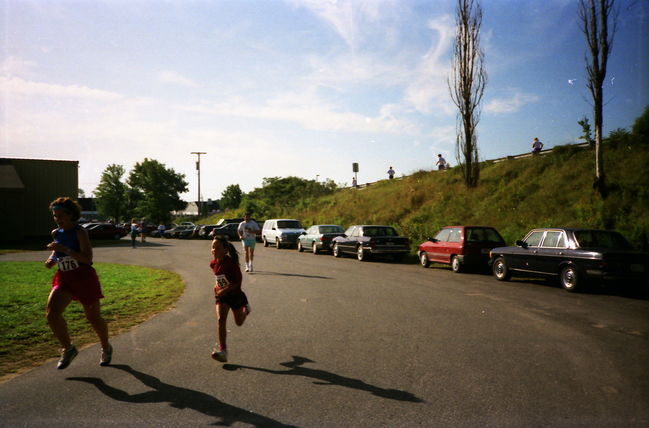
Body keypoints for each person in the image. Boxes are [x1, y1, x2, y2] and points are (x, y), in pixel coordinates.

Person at [44, 196, 112, 369]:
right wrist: (52, 258)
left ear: (70, 215)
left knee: (93, 318)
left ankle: (106, 346)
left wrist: (64, 250)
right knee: (52, 314)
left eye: (60, 216)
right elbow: (57, 252)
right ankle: (68, 349)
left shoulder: (80, 232)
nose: (57, 219)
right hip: (65, 277)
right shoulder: (55, 233)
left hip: (84, 278)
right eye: (55, 216)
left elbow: (87, 259)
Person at [210, 236, 251, 362]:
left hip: (235, 296)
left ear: (225, 250)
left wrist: (223, 290)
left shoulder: (232, 265)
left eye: (217, 247)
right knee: (221, 320)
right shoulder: (213, 263)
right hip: (222, 298)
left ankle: (246, 310)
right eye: (212, 247)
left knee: (239, 322)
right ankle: (223, 350)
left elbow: (236, 283)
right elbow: (219, 279)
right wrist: (216, 287)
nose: (213, 250)